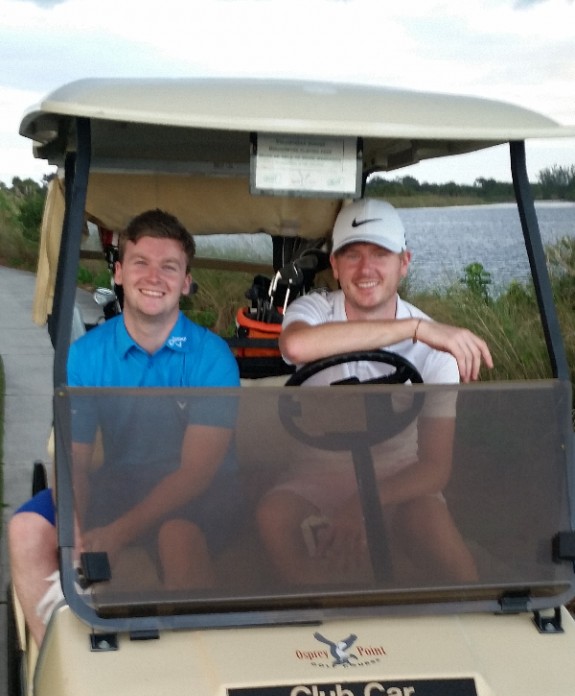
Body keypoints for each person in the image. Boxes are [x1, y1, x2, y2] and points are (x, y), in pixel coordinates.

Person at [8, 208, 240, 651]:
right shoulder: (87, 354)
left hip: (204, 493)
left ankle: (197, 675)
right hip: (123, 481)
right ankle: (55, 675)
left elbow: (196, 474)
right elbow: (74, 455)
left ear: (186, 281)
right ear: (117, 272)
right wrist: (74, 527)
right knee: (26, 528)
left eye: (169, 266)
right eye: (140, 262)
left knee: (177, 536)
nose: (154, 276)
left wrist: (114, 534)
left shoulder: (212, 358)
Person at [257, 197, 493, 586]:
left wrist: (362, 504)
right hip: (317, 476)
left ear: (404, 262)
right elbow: (296, 347)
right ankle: (312, 611)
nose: (366, 268)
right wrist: (413, 329)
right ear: (334, 265)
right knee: (273, 516)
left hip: (399, 478)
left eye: (380, 254)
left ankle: (476, 620)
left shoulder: (438, 352)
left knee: (438, 534)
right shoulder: (313, 310)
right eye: (351, 255)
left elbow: (435, 468)